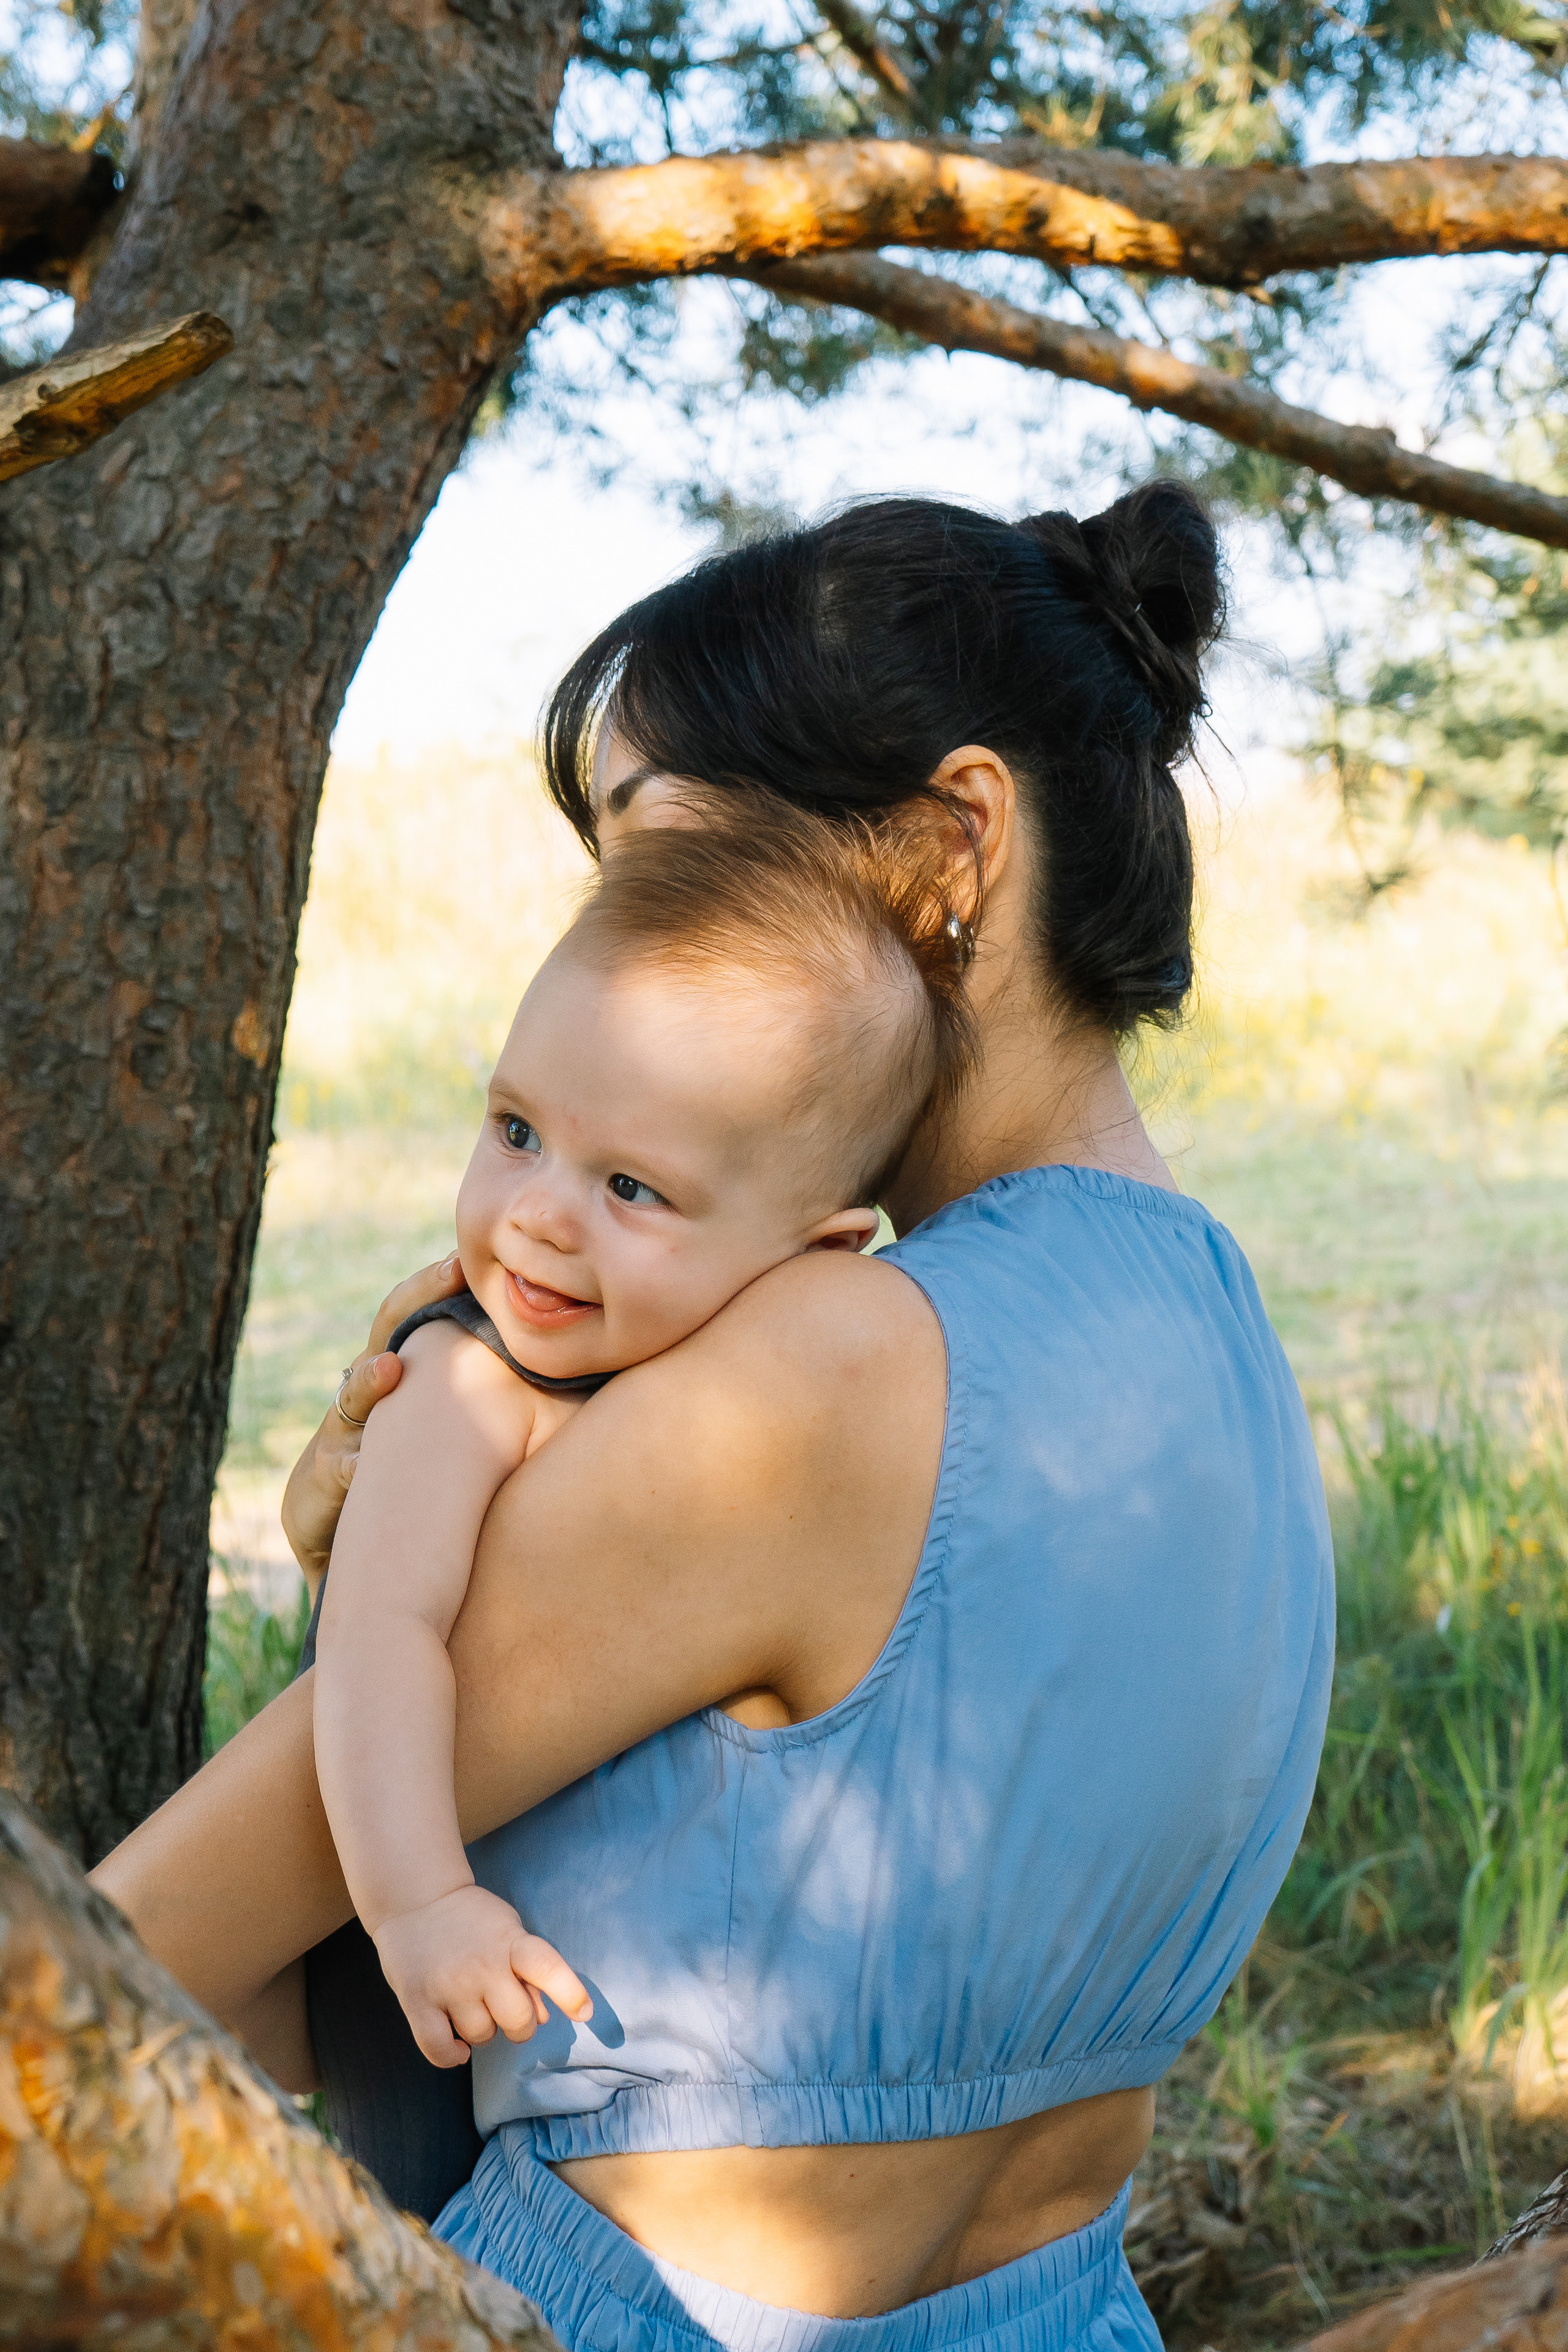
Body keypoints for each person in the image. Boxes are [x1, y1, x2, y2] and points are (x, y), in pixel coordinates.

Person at [95, 480, 1335, 2352]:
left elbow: (138, 1955)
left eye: (661, 858)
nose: (624, 935)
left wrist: (409, 1558)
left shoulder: (830, 1365)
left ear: (949, 848)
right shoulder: (1227, 1340)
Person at [312, 804, 973, 2073]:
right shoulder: (467, 1382)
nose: (540, 1219)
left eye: (632, 1189)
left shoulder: (753, 1402)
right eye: (515, 1132)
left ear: (814, 1262)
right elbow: (373, 1631)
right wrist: (418, 1908)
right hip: (408, 1947)